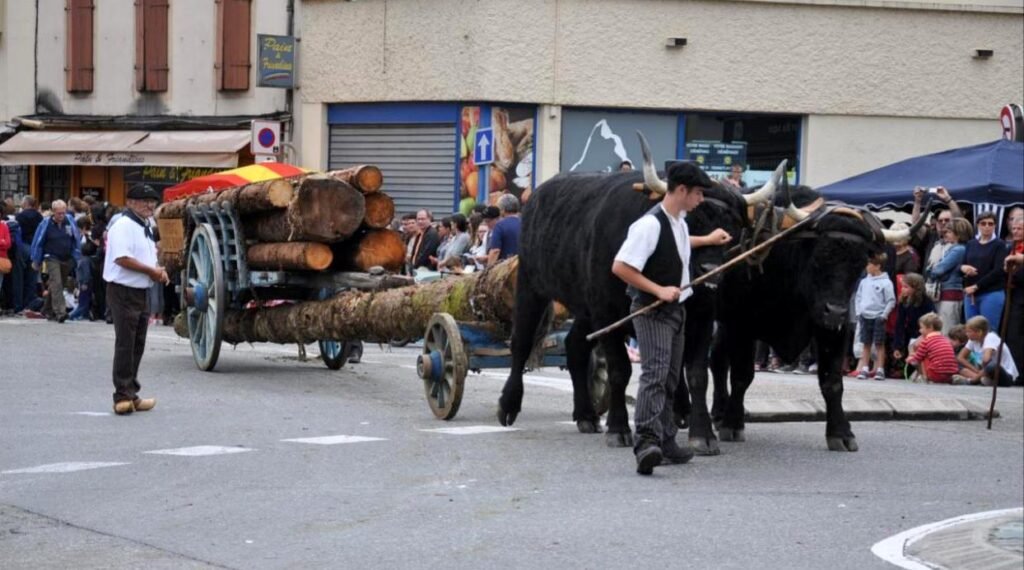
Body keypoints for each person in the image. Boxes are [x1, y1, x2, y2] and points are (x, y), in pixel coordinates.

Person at [611, 161, 730, 475]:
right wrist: (658, 289)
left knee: (670, 379)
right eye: (698, 193)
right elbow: (621, 266)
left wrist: (708, 240)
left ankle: (666, 441)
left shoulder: (679, 222)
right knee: (655, 375)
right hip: (653, 311)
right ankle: (646, 443)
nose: (701, 199)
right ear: (681, 190)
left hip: (677, 311)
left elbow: (678, 247)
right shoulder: (648, 225)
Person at [103, 184, 168, 415]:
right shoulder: (123, 225)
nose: (150, 205)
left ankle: (131, 392)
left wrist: (157, 269)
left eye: (152, 201)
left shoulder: (145, 225)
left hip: (140, 290)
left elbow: (144, 257)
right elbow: (122, 258)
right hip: (123, 290)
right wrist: (151, 271)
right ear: (130, 202)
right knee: (125, 343)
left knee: (137, 344)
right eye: (144, 201)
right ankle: (121, 395)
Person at [29, 199, 82, 323]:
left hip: (67, 257)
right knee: (57, 282)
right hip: (51, 256)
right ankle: (60, 313)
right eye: (59, 213)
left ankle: (46, 309)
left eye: (63, 212)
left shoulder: (70, 221)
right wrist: (36, 259)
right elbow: (38, 241)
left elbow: (76, 239)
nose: (62, 216)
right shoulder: (45, 223)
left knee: (58, 284)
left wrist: (76, 255)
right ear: (53, 212)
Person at [961, 212, 1007, 331]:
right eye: (983, 223)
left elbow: (998, 270)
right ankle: (975, 351)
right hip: (970, 293)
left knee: (988, 331)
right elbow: (961, 264)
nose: (987, 226)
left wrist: (977, 286)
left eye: (990, 224)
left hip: (991, 292)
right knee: (971, 331)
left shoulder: (1000, 245)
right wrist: (963, 268)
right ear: (978, 225)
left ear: (995, 226)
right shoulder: (971, 244)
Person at [853, 253, 895, 380]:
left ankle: (880, 369)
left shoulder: (886, 282)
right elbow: (858, 297)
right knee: (866, 343)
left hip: (878, 316)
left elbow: (891, 300)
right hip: (864, 316)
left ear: (877, 266)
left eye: (869, 264)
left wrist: (884, 315)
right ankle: (865, 368)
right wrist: (858, 312)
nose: (867, 267)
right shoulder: (864, 281)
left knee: (879, 343)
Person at [926, 217, 971, 334]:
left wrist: (930, 270)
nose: (946, 234)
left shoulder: (958, 249)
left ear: (959, 234)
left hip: (950, 294)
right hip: (946, 293)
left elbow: (938, 270)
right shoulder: (953, 248)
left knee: (947, 329)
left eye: (949, 231)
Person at [956, 316, 1019, 387]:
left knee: (992, 365)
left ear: (979, 332)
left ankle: (972, 381)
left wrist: (980, 372)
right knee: (957, 365)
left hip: (1005, 375)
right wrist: (976, 371)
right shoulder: (973, 340)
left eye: (969, 332)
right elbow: (960, 357)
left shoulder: (990, 337)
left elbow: (986, 359)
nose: (966, 334)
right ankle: (982, 379)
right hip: (984, 372)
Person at [891, 273, 935, 365]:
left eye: (906, 287)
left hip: (925, 332)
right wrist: (897, 346)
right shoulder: (904, 301)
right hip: (911, 332)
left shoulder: (926, 302)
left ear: (916, 288)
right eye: (902, 286)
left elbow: (932, 320)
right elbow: (900, 323)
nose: (902, 289)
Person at [910, 186, 962, 262]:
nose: (943, 222)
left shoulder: (959, 235)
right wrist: (917, 201)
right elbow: (916, 224)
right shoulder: (931, 236)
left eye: (947, 220)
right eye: (940, 221)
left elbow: (959, 218)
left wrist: (947, 198)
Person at [905, 312, 959, 384]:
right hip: (950, 374)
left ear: (930, 327)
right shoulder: (945, 340)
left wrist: (909, 358)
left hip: (935, 375)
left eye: (921, 328)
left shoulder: (926, 341)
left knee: (922, 356)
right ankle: (952, 379)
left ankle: (924, 378)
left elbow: (917, 358)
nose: (919, 330)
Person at [1003, 214, 1023, 386]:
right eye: (1014, 228)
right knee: (1013, 335)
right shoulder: (1012, 247)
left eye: (1020, 229)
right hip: (1015, 294)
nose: (1016, 231)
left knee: (1017, 334)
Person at [15, 196, 43, 311]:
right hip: (35, 248)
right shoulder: (39, 216)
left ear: (26, 203)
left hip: (23, 246)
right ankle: (30, 301)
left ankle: (18, 303)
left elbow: (17, 233)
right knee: (32, 277)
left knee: (19, 276)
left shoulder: (20, 216)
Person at [486, 194, 521, 267]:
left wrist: (487, 271)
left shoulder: (500, 226)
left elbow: (495, 251)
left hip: (506, 269)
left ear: (502, 210)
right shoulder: (526, 223)